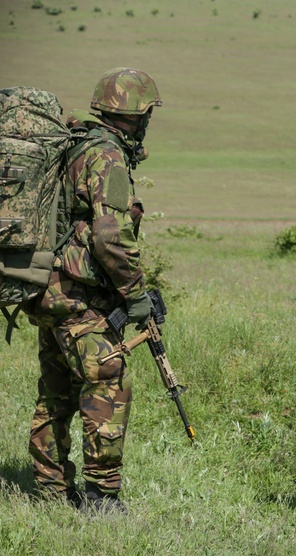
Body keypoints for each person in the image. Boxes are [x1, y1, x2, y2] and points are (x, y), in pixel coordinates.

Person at [24, 67, 162, 513]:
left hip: (46, 289)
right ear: (133, 115)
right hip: (79, 299)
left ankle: (49, 490)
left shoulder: (73, 143)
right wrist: (136, 293)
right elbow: (110, 236)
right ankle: (103, 497)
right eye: (146, 115)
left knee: (56, 390)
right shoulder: (107, 156)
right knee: (107, 384)